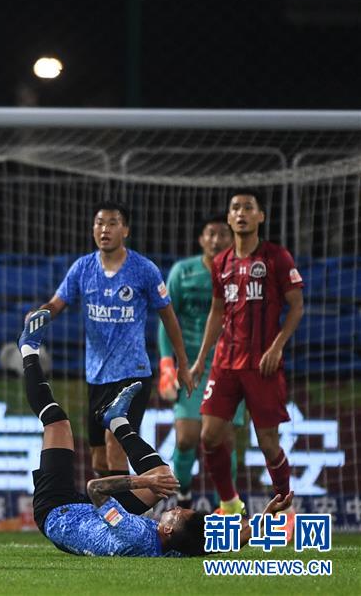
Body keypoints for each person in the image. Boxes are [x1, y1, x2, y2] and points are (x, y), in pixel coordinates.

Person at [19, 309, 294, 557]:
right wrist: (265, 518)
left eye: (177, 513)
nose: (174, 508)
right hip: (94, 515)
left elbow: (95, 489)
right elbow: (223, 542)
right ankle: (117, 421)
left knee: (57, 422)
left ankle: (28, 349)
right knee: (164, 479)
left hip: (58, 511)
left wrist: (143, 481)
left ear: (170, 529)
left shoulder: (135, 535)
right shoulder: (177, 547)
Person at [36, 201, 192, 480]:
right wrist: (39, 315)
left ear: (126, 230)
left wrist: (181, 362)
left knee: (115, 444)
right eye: (99, 223)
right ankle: (117, 505)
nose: (104, 229)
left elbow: (168, 317)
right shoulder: (83, 268)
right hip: (96, 376)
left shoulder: (144, 269)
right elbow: (56, 304)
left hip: (132, 375)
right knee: (99, 457)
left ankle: (123, 509)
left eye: (112, 223)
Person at [189, 190, 304, 535]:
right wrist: (200, 360)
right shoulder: (220, 262)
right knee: (209, 436)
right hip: (225, 362)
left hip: (262, 364)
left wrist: (277, 347)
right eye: (235, 208)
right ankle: (230, 504)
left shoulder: (276, 257)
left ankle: (286, 507)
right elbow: (217, 312)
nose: (241, 213)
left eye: (248, 208)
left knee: (268, 442)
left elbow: (296, 306)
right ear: (229, 218)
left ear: (260, 216)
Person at [157, 216, 245, 507]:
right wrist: (167, 364)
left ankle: (227, 507)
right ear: (201, 239)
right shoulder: (183, 272)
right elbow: (167, 319)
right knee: (186, 437)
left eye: (223, 234)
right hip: (191, 366)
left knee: (224, 439)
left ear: (232, 239)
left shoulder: (242, 273)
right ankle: (183, 496)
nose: (216, 240)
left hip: (230, 366)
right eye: (210, 234)